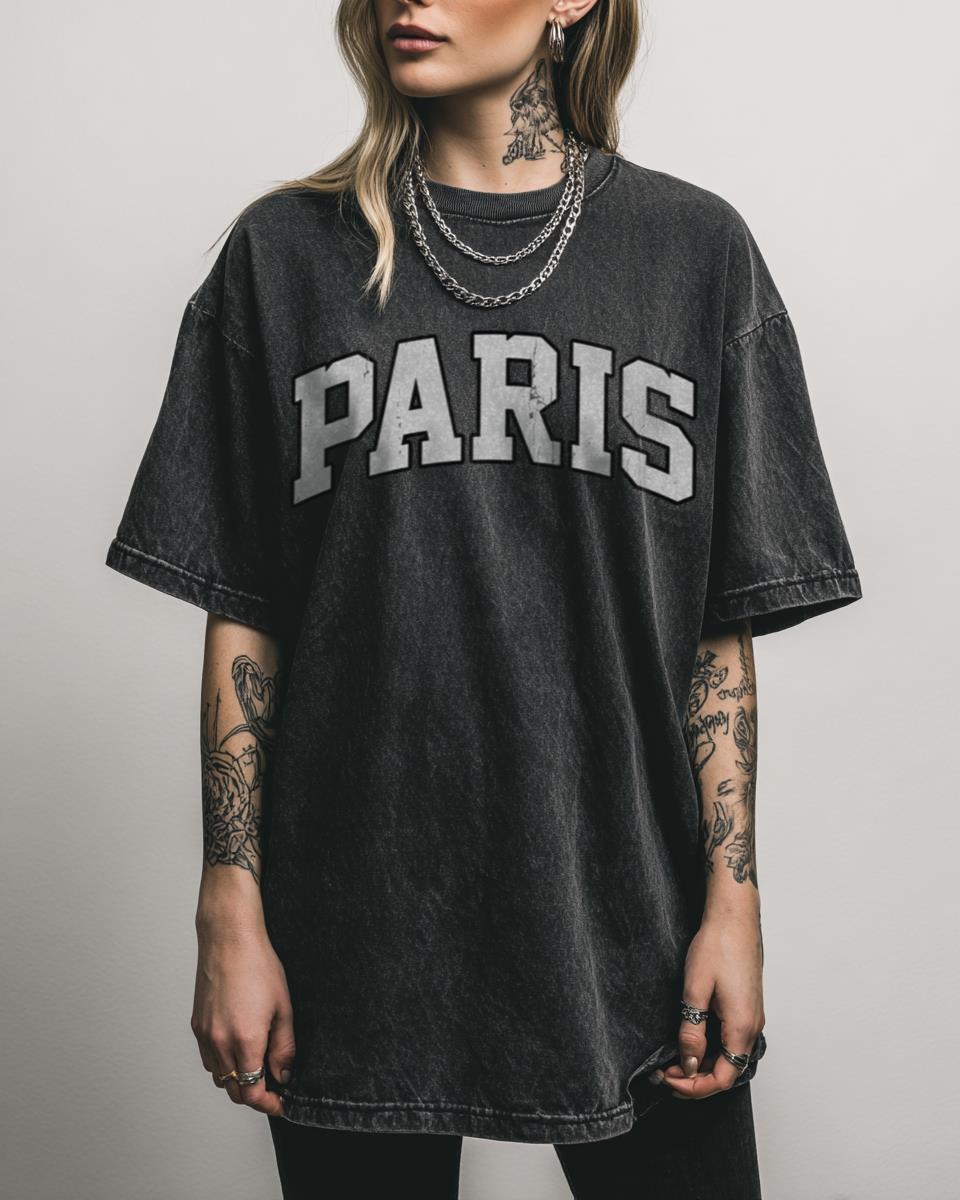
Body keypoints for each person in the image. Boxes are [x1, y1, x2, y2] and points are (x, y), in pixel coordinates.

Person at [104, 1, 863, 1196]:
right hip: (352, 929)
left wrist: (735, 902)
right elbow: (245, 610)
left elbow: (715, 633)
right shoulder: (284, 256)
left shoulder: (693, 254)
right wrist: (229, 905)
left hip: (632, 922)